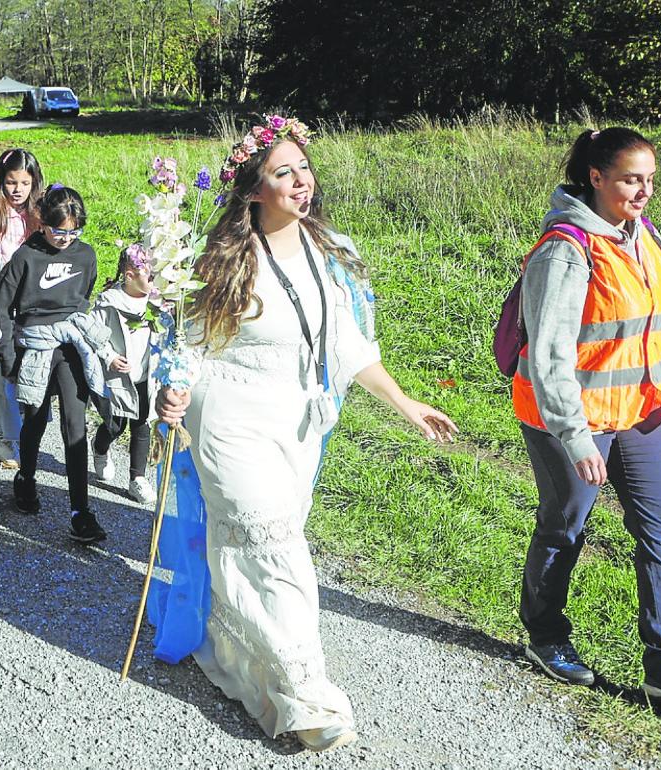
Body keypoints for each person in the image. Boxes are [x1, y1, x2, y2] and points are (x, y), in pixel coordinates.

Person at [154, 116, 457, 751]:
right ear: (253, 189)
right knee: (276, 547)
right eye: (283, 172)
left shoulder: (328, 253)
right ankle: (306, 693)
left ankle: (240, 660)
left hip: (295, 424)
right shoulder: (221, 259)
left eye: (304, 168)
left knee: (257, 551)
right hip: (229, 417)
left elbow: (346, 343)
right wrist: (171, 387)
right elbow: (184, 341)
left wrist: (405, 402)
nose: (301, 181)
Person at [514, 127, 661, 716]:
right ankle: (545, 633)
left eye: (650, 180)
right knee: (565, 527)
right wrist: (576, 435)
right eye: (631, 180)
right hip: (571, 418)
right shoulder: (566, 248)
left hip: (640, 414)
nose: (644, 192)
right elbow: (549, 356)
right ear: (597, 178)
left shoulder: (642, 238)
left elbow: (660, 328)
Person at [0, 186, 109, 544]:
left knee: (75, 425)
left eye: (73, 232)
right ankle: (26, 478)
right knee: (36, 418)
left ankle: (80, 511)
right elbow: (3, 308)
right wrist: (8, 354)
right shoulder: (25, 256)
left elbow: (83, 296)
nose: (66, 238)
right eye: (59, 230)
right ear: (42, 223)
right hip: (35, 343)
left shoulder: (86, 255)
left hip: (71, 344)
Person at [0, 148, 43, 468]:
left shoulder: (39, 215)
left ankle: (29, 430)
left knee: (29, 367)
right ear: (0, 182)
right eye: (10, 182)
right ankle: (6, 436)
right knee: (2, 368)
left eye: (24, 182)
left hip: (32, 302)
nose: (17, 189)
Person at [90, 245, 160, 505]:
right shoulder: (109, 301)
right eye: (149, 276)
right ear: (129, 275)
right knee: (116, 424)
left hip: (146, 373)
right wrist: (109, 356)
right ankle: (100, 446)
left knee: (142, 423)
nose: (154, 282)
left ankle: (137, 479)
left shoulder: (157, 301)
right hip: (118, 377)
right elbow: (94, 334)